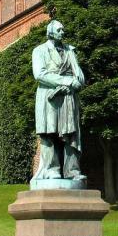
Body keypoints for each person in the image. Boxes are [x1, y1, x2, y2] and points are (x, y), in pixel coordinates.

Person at [31, 20, 86, 182]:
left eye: (63, 29)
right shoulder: (40, 50)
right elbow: (40, 74)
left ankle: (73, 171)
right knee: (49, 133)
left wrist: (76, 82)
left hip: (69, 97)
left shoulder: (70, 51)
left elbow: (79, 75)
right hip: (49, 97)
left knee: (72, 135)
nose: (63, 32)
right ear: (51, 32)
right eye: (59, 30)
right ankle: (51, 170)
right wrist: (66, 81)